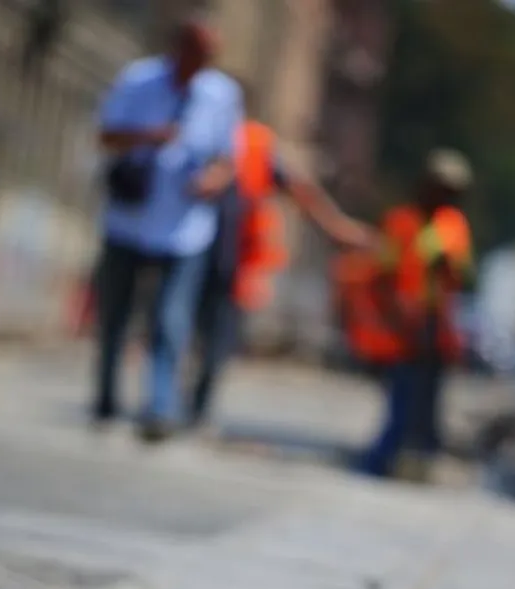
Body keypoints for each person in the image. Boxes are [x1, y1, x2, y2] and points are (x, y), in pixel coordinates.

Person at [93, 11, 242, 441]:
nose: (205, 60)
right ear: (179, 47)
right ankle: (106, 399)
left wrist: (212, 181)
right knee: (114, 316)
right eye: (199, 51)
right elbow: (105, 135)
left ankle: (159, 408)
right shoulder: (139, 80)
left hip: (185, 228)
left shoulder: (221, 94)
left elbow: (227, 159)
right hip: (127, 220)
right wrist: (149, 137)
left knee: (170, 321)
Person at [188, 80, 373, 426]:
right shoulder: (199, 135)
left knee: (212, 337)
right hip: (189, 252)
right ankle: (178, 403)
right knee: (187, 331)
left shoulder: (254, 144)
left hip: (231, 258)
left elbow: (298, 188)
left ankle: (192, 405)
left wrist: (337, 227)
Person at [348, 150, 474, 478]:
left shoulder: (454, 226)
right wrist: (398, 315)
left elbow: (458, 277)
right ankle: (383, 457)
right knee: (401, 393)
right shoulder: (401, 222)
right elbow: (385, 274)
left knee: (429, 396)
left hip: (435, 324)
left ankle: (420, 459)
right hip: (401, 322)